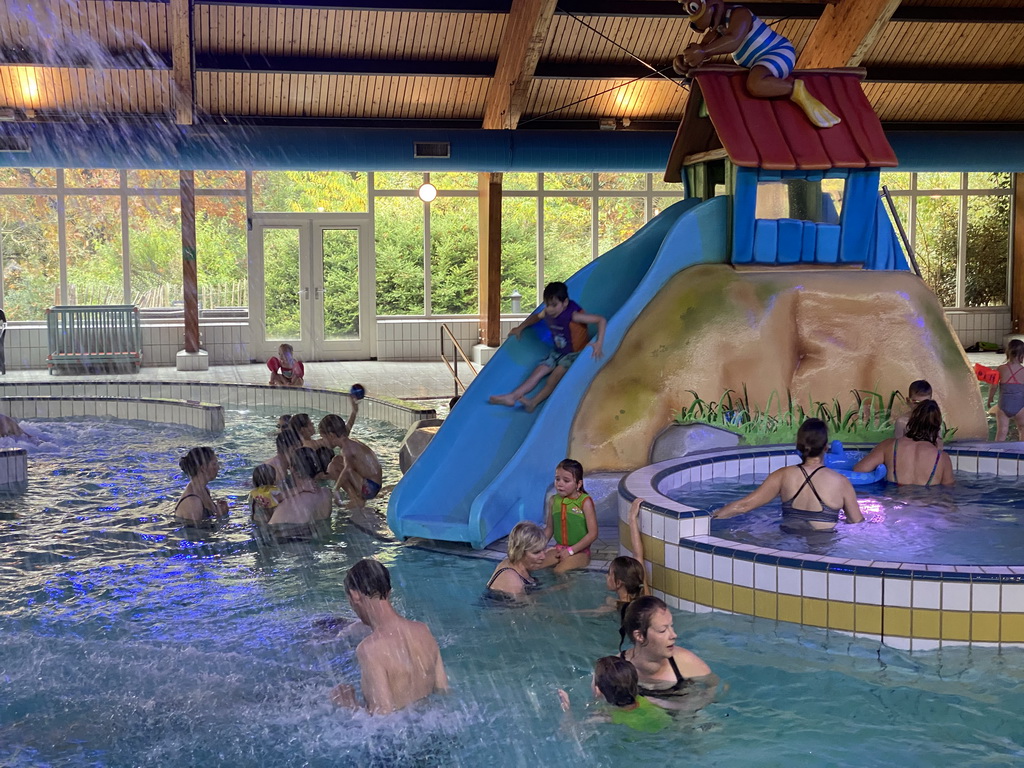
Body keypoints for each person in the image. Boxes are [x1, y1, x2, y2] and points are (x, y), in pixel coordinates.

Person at [673, 0, 840, 129]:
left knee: (755, 84)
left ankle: (796, 89)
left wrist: (703, 52)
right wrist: (687, 61)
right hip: (755, 64)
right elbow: (702, 50)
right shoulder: (718, 28)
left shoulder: (740, 14)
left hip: (777, 52)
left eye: (693, 7)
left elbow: (733, 40)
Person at [330, 558, 448, 715]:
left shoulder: (370, 649)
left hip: (405, 737)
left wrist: (349, 704)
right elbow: (443, 691)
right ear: (388, 592)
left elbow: (382, 718)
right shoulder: (423, 631)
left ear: (354, 596)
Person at [713, 418, 864, 532]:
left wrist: (711, 518)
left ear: (798, 446)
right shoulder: (841, 482)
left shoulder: (782, 475)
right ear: (826, 447)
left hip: (788, 538)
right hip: (823, 546)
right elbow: (857, 522)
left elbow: (744, 506)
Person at [489, 281, 606, 413]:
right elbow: (535, 318)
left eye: (554, 305)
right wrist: (520, 328)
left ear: (565, 303)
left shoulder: (574, 316)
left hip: (573, 354)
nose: (550, 309)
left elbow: (600, 320)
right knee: (537, 372)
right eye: (547, 305)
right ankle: (512, 397)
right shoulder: (547, 312)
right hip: (557, 352)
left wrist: (599, 343)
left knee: (554, 377)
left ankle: (533, 402)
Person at [619, 596, 717, 711]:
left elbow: (716, 687)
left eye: (671, 626)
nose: (673, 635)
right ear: (639, 636)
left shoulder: (686, 662)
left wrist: (670, 705)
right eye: (663, 630)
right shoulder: (616, 669)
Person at [557, 656, 672, 734]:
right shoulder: (649, 700)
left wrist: (567, 711)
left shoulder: (607, 716)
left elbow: (570, 731)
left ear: (597, 691)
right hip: (665, 728)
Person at [853, 400, 954, 487]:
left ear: (912, 420)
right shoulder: (942, 458)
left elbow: (858, 470)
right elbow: (948, 493)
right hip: (926, 505)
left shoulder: (888, 446)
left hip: (894, 501)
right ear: (936, 427)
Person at [319, 403, 383, 509]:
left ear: (331, 435)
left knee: (333, 467)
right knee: (336, 460)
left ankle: (355, 499)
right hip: (374, 484)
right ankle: (356, 496)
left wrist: (336, 489)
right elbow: (348, 427)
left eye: (323, 437)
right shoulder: (346, 440)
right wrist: (354, 411)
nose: (323, 441)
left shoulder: (346, 449)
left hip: (370, 489)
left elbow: (348, 470)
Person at [541, 458, 599, 573]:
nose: (560, 484)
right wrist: (537, 548)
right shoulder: (553, 500)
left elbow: (593, 534)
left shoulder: (584, 502)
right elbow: (549, 529)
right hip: (559, 548)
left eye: (566, 481)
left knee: (559, 571)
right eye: (557, 479)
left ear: (578, 483)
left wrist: (571, 551)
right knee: (535, 565)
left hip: (580, 551)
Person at [268, 447, 333, 525]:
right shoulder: (326, 493)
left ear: (292, 469)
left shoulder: (289, 506)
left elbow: (271, 531)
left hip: (296, 534)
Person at [485, 521, 551, 598]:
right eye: (536, 552)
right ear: (520, 552)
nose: (543, 556)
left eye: (544, 549)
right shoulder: (512, 580)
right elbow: (525, 608)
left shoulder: (517, 565)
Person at [174, 446, 229, 524]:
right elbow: (196, 534)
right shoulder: (193, 502)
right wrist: (220, 518)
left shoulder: (203, 490)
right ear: (203, 468)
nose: (218, 467)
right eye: (214, 464)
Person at [988, 339, 1024, 442]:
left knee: (1002, 431)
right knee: (1022, 429)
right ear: (1022, 355)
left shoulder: (1000, 369)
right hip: (1020, 407)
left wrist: (990, 399)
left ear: (1007, 353)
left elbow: (993, 386)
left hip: (1003, 405)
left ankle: (996, 454)